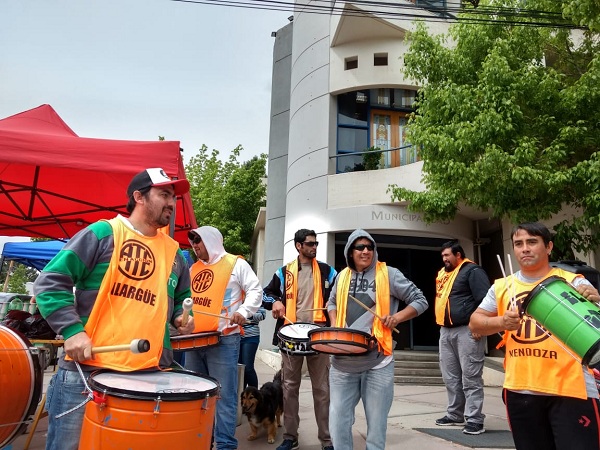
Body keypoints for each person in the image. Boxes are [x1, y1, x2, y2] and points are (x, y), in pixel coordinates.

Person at [34, 167, 195, 450]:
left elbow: (181, 298)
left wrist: (184, 317)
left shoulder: (175, 254)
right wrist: (72, 331)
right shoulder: (103, 233)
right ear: (139, 197)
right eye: (164, 194)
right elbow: (50, 283)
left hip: (148, 375)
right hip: (87, 373)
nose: (171, 203)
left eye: (173, 197)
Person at [469, 222, 600, 450]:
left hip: (571, 389)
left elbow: (594, 315)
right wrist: (500, 321)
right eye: (518, 244)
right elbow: (475, 323)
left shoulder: (572, 281)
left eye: (532, 242)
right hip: (521, 389)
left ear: (548, 247)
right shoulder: (501, 286)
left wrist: (594, 298)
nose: (525, 249)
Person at [327, 229, 429, 450]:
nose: (366, 251)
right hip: (343, 361)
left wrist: (397, 317)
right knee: (337, 421)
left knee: (376, 427)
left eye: (370, 247)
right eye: (360, 247)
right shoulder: (341, 276)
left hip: (378, 360)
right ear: (350, 252)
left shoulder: (389, 274)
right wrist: (335, 323)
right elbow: (331, 302)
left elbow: (420, 300)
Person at [185, 225, 262, 450]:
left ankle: (225, 445)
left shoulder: (236, 264)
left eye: (198, 241)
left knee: (224, 396)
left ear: (210, 240)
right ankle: (201, 441)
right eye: (193, 242)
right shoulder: (194, 268)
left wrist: (244, 312)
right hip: (195, 340)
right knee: (196, 395)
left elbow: (256, 290)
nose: (194, 246)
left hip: (224, 339)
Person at [263, 229, 337, 450]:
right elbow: (266, 294)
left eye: (316, 243)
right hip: (290, 337)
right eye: (310, 244)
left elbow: (339, 296)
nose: (314, 247)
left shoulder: (328, 272)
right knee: (289, 388)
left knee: (322, 389)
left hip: (319, 336)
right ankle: (289, 437)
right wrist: (275, 301)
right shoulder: (283, 273)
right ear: (298, 246)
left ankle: (326, 440)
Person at [434, 240, 490, 435]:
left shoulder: (472, 271)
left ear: (458, 255)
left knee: (470, 376)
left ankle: (474, 419)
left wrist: (479, 325)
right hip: (446, 331)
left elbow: (485, 300)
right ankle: (455, 414)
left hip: (467, 330)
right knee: (450, 376)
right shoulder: (444, 275)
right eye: (442, 256)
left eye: (447, 255)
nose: (444, 259)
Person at [239, 305, 267, 388]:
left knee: (248, 367)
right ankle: (242, 394)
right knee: (240, 370)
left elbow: (262, 315)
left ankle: (255, 395)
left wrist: (244, 314)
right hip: (235, 335)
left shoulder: (255, 295)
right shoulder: (236, 295)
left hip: (251, 336)